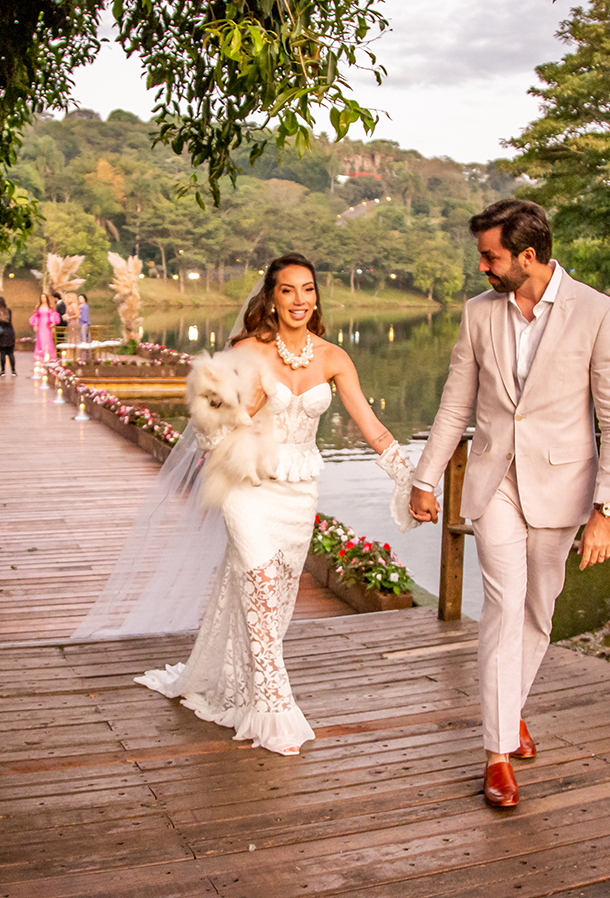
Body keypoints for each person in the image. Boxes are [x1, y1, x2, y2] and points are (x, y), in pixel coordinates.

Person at [133, 254, 411, 756]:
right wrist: (249, 408)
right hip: (250, 485)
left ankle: (235, 680)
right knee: (259, 581)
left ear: (316, 298)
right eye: (288, 291)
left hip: (299, 489)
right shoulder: (247, 349)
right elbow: (206, 428)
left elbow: (371, 426)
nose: (300, 300)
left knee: (277, 595)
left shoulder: (333, 357)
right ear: (271, 296)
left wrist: (410, 480)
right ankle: (273, 708)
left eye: (308, 290)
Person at [408, 199, 610, 809]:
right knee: (504, 606)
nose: (482, 268)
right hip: (494, 484)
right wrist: (425, 478)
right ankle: (497, 754)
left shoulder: (600, 314)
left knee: (539, 611)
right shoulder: (477, 315)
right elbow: (456, 405)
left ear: (527, 256)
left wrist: (605, 510)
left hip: (563, 489)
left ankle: (510, 713)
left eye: (491, 257)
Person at [30, 294, 60, 363]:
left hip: (47, 325)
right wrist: (35, 325)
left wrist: (52, 323)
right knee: (40, 339)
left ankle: (49, 355)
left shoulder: (50, 307)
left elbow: (53, 315)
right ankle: (41, 355)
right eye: (41, 297)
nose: (43, 298)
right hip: (41, 325)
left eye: (44, 297)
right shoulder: (38, 307)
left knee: (48, 339)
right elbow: (36, 316)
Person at [0, 297, 17, 376]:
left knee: (2, 353)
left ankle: (3, 371)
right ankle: (13, 371)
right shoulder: (9, 311)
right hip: (10, 333)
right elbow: (10, 322)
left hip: (1, 334)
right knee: (11, 353)